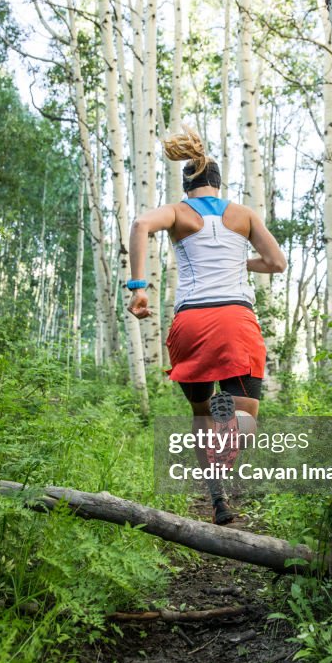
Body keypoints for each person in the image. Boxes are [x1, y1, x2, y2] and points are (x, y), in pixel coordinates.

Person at [127, 126, 287, 524]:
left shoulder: (178, 212)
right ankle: (229, 422)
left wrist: (138, 287)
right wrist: (238, 261)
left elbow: (140, 225)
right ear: (219, 184)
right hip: (235, 320)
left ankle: (217, 500)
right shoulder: (244, 215)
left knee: (200, 416)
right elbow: (276, 263)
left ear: (188, 184)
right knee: (244, 423)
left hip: (191, 324)